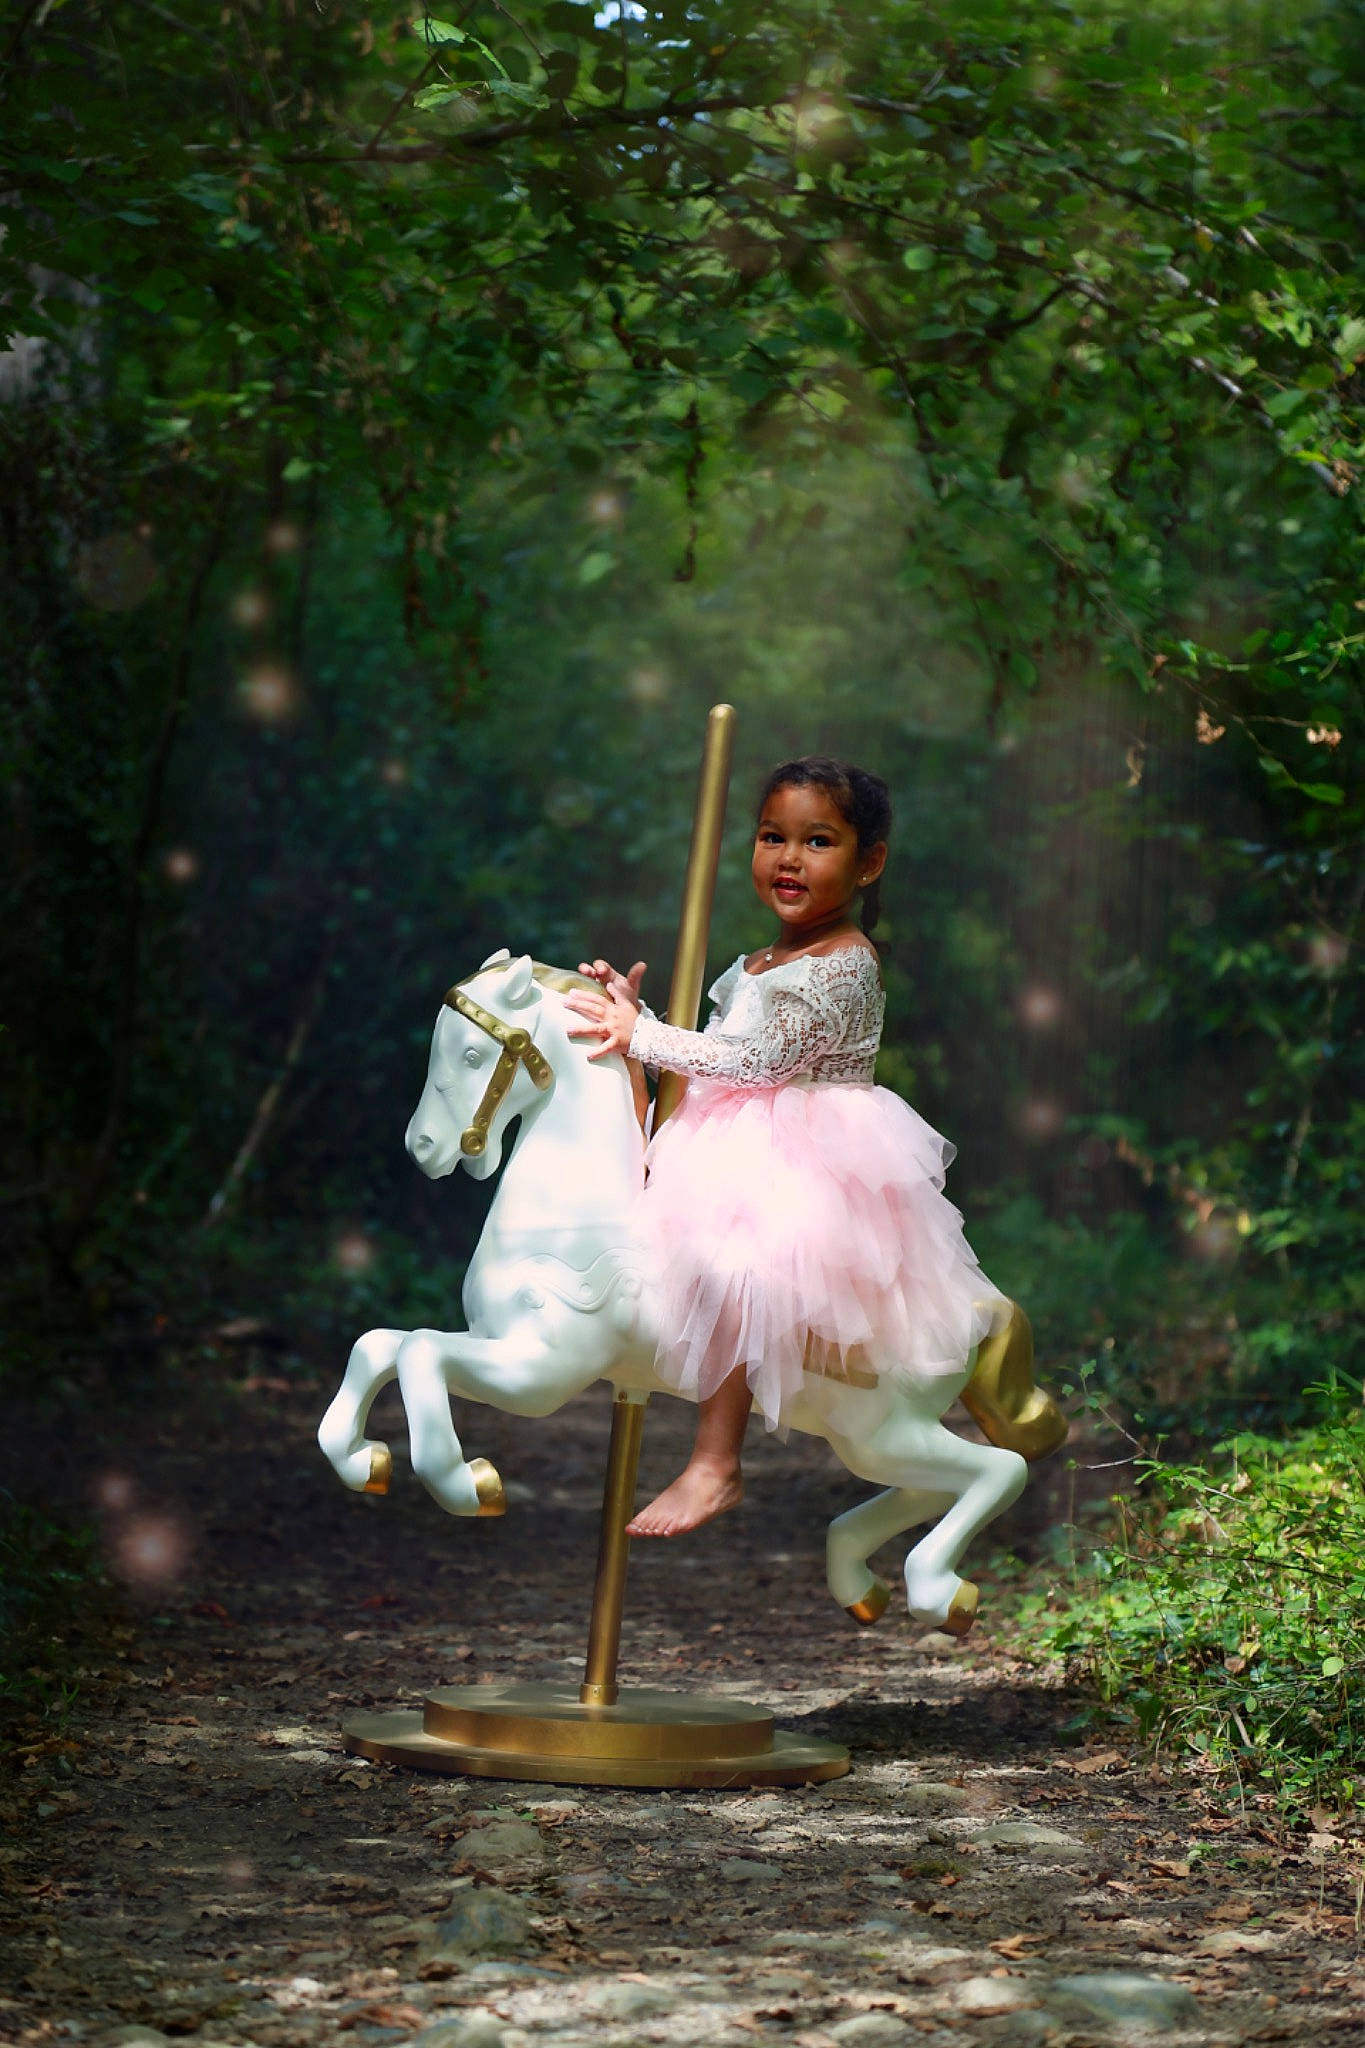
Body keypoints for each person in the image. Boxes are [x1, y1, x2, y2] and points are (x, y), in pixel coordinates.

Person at [564, 756, 1008, 1538]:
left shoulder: (845, 964)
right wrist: (634, 1023)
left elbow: (757, 1063)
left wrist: (651, 1036)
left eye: (818, 841)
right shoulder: (759, 963)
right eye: (772, 837)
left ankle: (715, 1462)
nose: (789, 858)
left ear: (867, 863)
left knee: (742, 1265)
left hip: (800, 1155)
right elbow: (711, 1049)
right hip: (725, 1134)